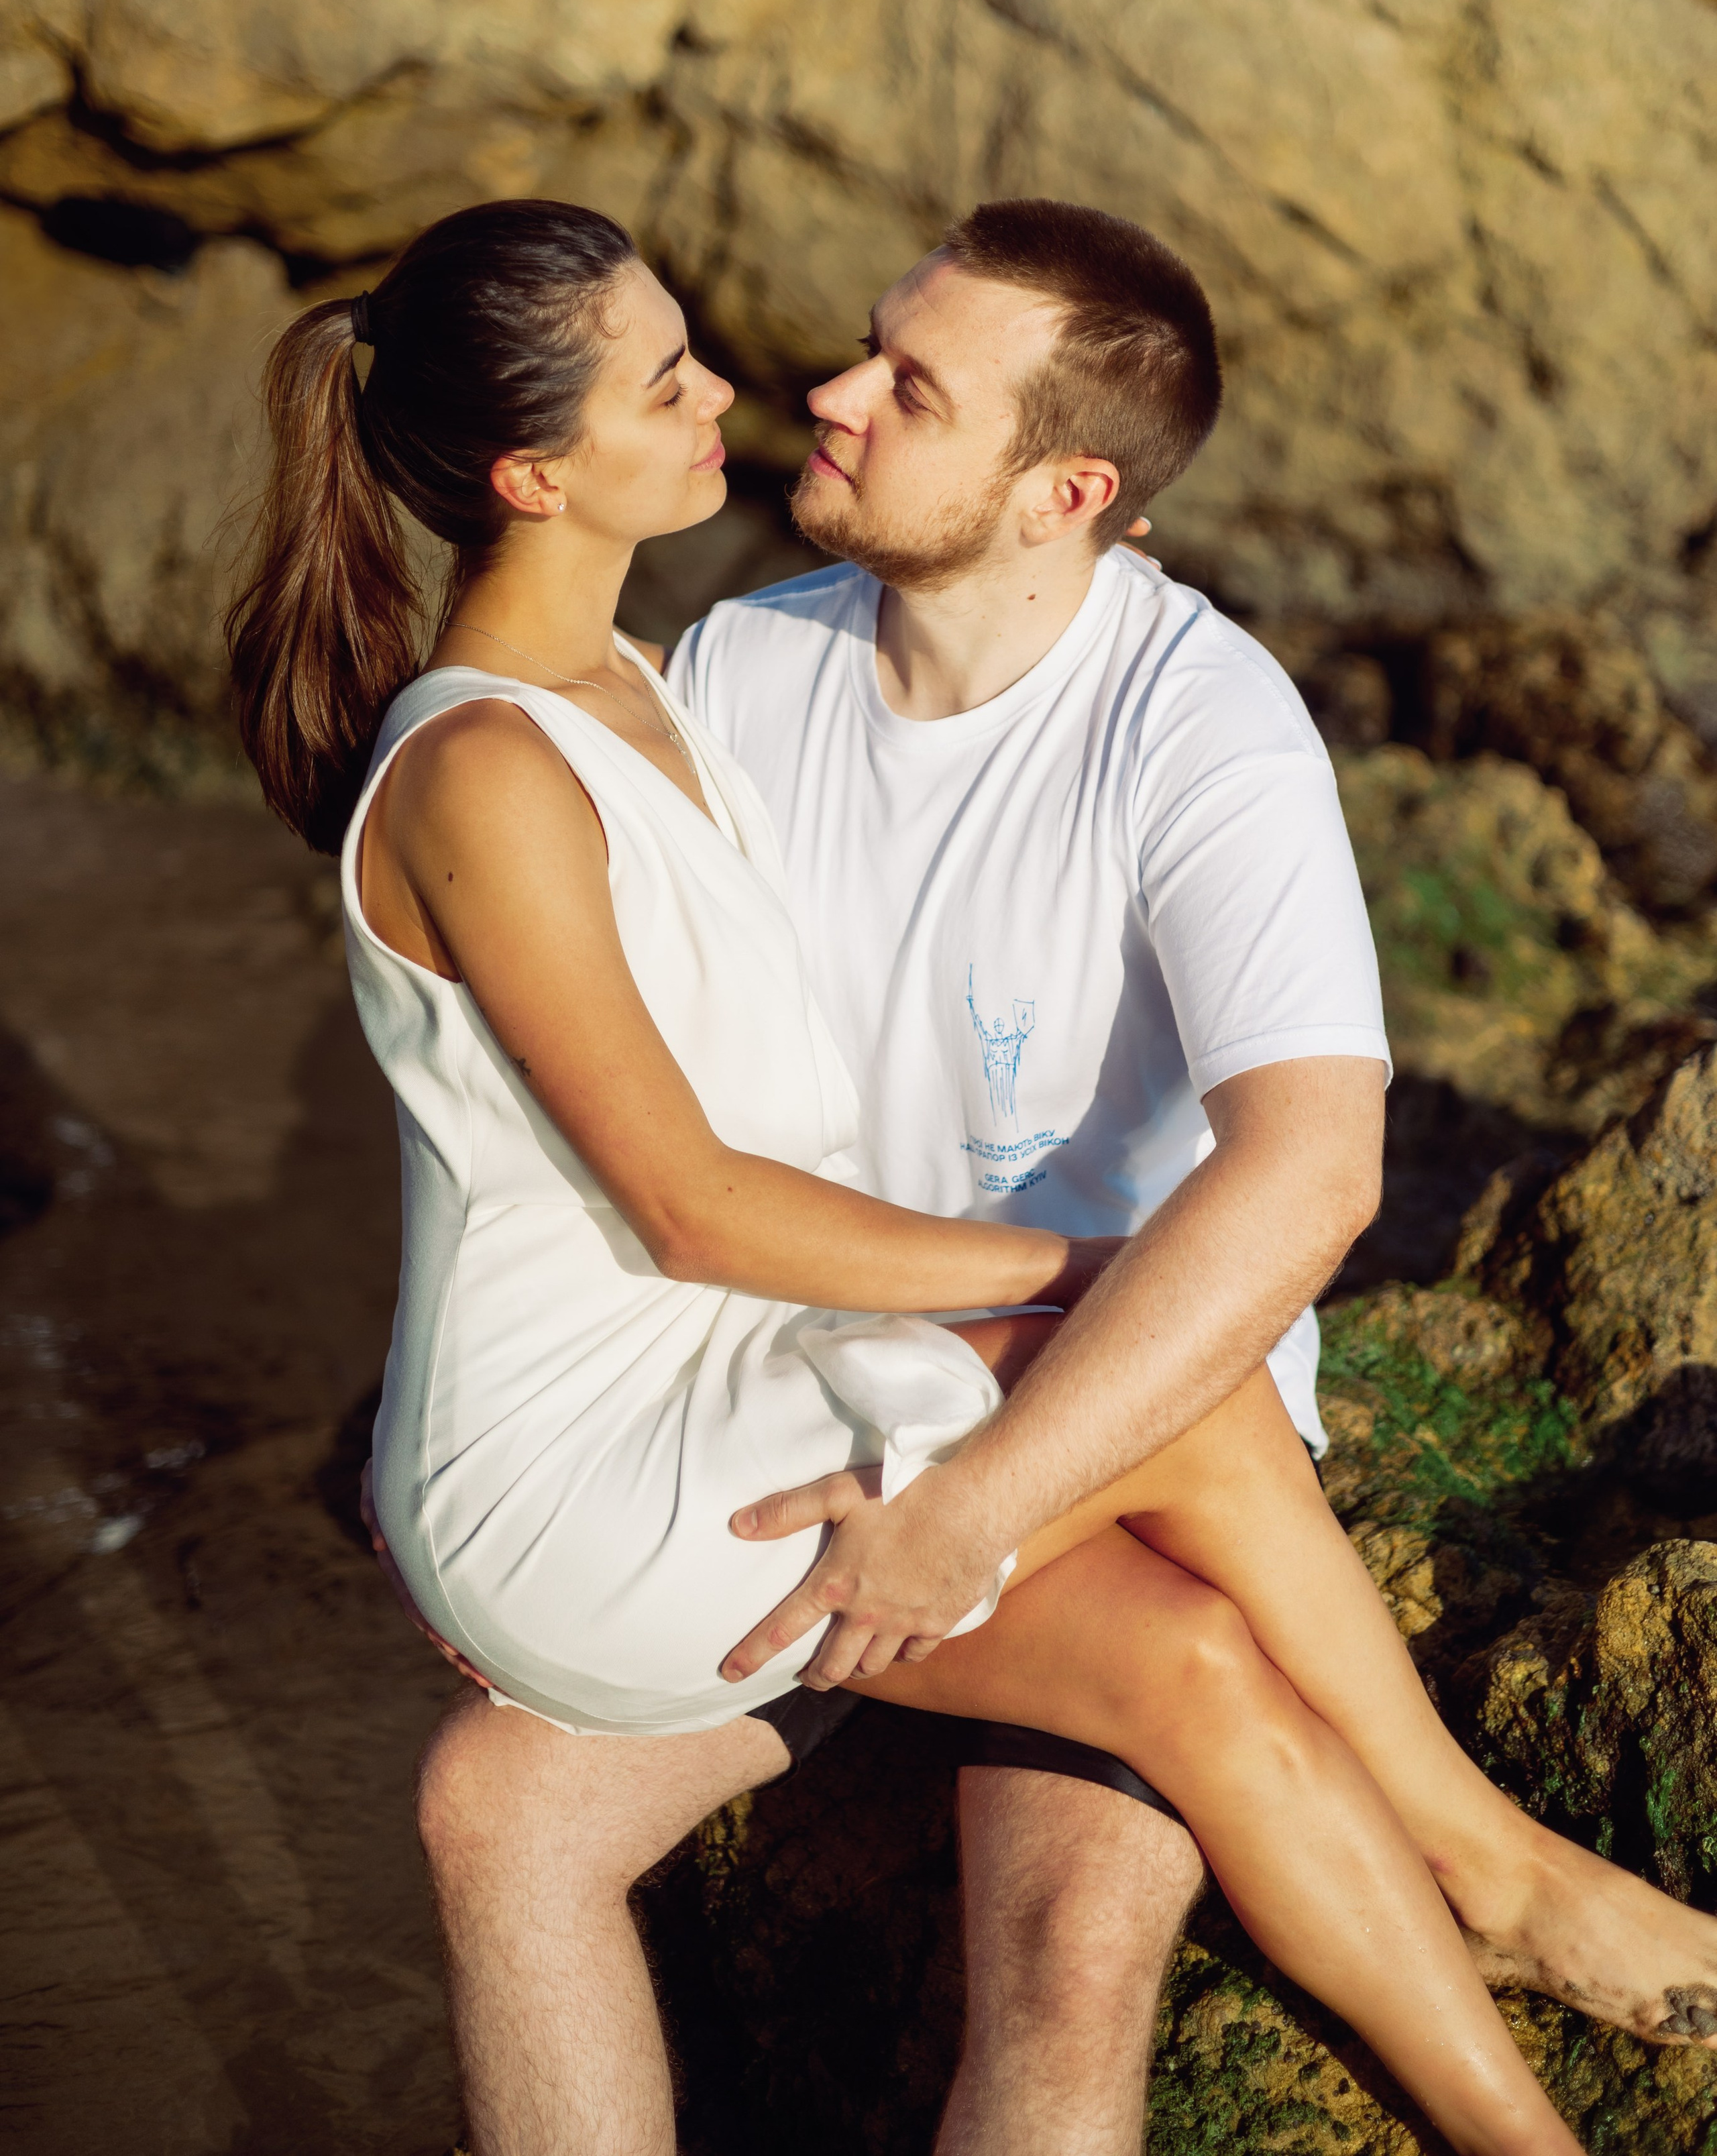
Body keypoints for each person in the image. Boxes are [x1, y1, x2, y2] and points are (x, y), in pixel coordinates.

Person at [223, 197, 1714, 2156]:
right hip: (775, 1393)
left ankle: (1521, 2090)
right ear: (532, 471)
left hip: (908, 1387)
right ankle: (1494, 1867)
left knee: (1153, 1715)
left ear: (1063, 495)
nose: (791, 395)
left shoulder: (1100, 715)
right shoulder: (703, 684)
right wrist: (1092, 1271)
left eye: (905, 383)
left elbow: (1312, 1173)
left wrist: (1040, 1376)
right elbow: (640, 1182)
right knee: (1167, 1389)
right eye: (680, 377)